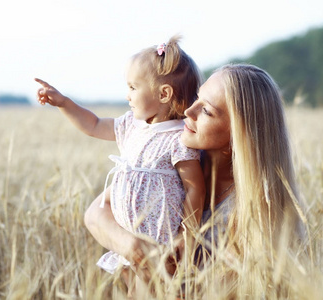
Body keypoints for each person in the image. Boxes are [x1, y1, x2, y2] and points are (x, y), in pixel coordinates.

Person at [84, 63, 305, 297]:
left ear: (238, 138)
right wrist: (134, 248)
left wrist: (158, 276)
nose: (189, 111)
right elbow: (95, 213)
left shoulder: (256, 219)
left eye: (207, 111)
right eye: (196, 98)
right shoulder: (176, 164)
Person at [35, 35, 206, 296]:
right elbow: (93, 125)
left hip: (158, 242)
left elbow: (194, 188)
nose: (127, 95)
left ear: (164, 94)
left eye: (133, 88)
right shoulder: (132, 126)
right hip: (127, 236)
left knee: (154, 291)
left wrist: (187, 234)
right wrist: (64, 103)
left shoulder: (178, 138)